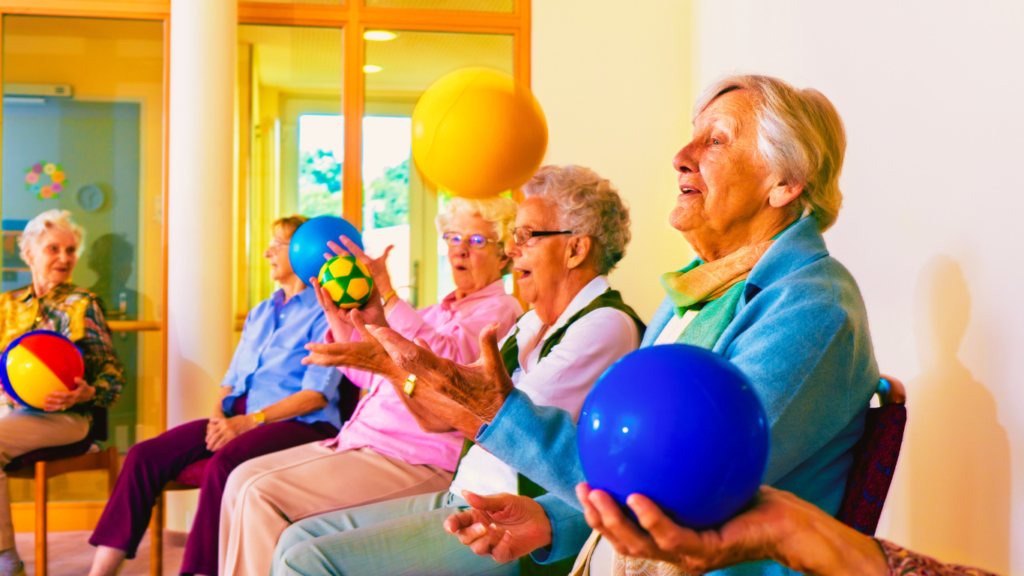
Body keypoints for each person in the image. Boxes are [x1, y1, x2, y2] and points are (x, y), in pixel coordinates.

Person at [375, 74, 879, 576]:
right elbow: (634, 464)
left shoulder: (812, 306)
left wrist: (498, 410)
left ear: (784, 183)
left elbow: (689, 486)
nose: (682, 153)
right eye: (692, 134)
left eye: (717, 140)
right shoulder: (694, 294)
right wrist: (553, 521)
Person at [268, 165, 643, 576]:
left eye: (526, 236)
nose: (512, 250)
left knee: (303, 563)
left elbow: (499, 425)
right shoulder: (530, 324)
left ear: (575, 250)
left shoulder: (603, 325)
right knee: (294, 539)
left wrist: (392, 367)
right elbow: (435, 417)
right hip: (463, 495)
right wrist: (380, 334)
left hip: (509, 521)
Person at [218, 197, 524, 576]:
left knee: (259, 495)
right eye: (452, 236)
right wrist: (342, 317)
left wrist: (390, 298)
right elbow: (370, 375)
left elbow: (444, 368)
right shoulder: (431, 313)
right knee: (240, 479)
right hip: (363, 442)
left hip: (418, 457)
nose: (459, 248)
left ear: (505, 257)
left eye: (477, 241)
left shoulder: (502, 310)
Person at [87, 215, 347, 576]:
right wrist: (217, 418)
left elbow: (316, 395)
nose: (266, 252)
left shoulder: (327, 314)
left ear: (304, 253)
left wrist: (246, 423)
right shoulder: (260, 312)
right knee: (144, 455)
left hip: (300, 423)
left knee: (225, 464)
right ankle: (100, 571)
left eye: (277, 244)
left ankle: (198, 571)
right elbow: (231, 379)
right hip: (240, 417)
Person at [0, 210, 125, 576]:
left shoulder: (84, 304)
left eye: (70, 250)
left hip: (67, 418)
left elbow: (113, 377)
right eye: (53, 248)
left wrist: (85, 393)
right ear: (28, 253)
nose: (64, 258)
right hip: (11, 411)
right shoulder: (6, 306)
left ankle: (6, 561)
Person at [566, 481, 999, 576]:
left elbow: (669, 480)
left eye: (529, 237)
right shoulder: (684, 300)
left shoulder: (809, 299)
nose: (515, 248)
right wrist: (548, 521)